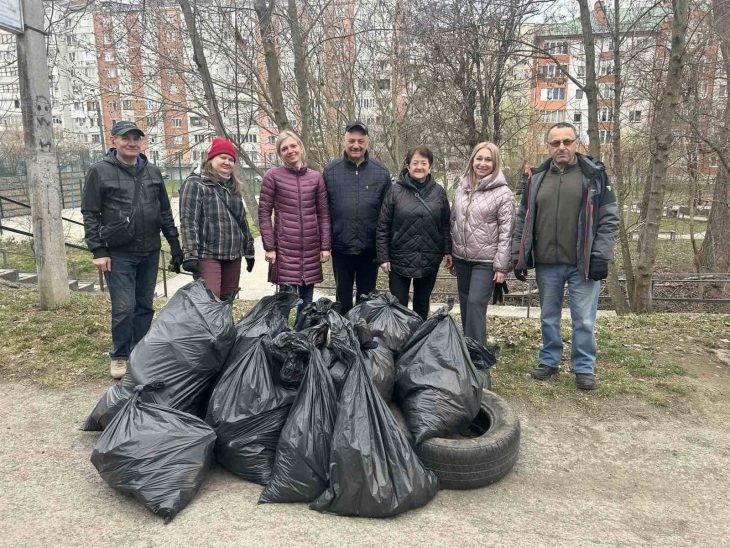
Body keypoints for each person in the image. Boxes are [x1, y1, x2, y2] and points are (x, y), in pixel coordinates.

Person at [511, 122, 618, 391]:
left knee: (584, 320)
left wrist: (600, 255)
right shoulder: (537, 178)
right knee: (549, 316)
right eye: (555, 142)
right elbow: (523, 218)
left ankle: (584, 367)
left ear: (576, 143)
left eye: (567, 142)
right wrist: (518, 255)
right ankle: (549, 360)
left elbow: (609, 219)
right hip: (547, 263)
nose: (561, 147)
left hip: (583, 263)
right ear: (548, 146)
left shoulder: (594, 175)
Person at [81, 120, 183, 380]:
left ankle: (140, 353)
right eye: (125, 138)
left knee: (144, 305)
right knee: (124, 307)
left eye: (136, 138)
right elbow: (91, 213)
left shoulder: (153, 172)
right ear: (113, 140)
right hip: (118, 252)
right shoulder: (99, 171)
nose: (131, 143)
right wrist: (98, 250)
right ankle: (120, 354)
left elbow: (164, 212)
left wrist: (174, 245)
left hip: (150, 249)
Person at [258, 130, 331, 317]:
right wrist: (269, 247)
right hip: (285, 250)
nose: (290, 151)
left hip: (311, 249)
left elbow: (323, 214)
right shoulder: (272, 176)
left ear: (301, 147)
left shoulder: (316, 177)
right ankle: (282, 332)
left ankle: (303, 331)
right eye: (284, 149)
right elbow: (264, 213)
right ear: (279, 153)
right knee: (285, 302)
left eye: (293, 146)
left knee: (307, 302)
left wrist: (325, 246)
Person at [450, 141, 514, 345]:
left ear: (495, 163)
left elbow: (507, 231)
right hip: (462, 257)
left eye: (488, 160)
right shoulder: (462, 187)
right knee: (465, 303)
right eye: (479, 158)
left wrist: (501, 266)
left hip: (486, 260)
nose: (482, 163)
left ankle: (477, 352)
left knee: (476, 303)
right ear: (472, 160)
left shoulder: (503, 193)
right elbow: (454, 220)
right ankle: (469, 346)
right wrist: (450, 251)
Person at [323, 121, 391, 314]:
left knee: (366, 300)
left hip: (369, 249)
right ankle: (342, 331)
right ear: (344, 141)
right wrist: (325, 243)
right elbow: (324, 211)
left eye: (360, 141)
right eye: (351, 141)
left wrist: (385, 249)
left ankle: (362, 331)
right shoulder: (330, 172)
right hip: (341, 248)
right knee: (342, 299)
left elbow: (387, 214)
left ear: (367, 143)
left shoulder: (381, 172)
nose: (356, 145)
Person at [376, 146, 451, 321]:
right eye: (415, 163)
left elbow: (445, 224)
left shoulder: (439, 192)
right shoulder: (395, 191)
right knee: (399, 305)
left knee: (422, 304)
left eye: (423, 163)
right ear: (408, 166)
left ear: (430, 166)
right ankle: (400, 336)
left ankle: (419, 335)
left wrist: (448, 250)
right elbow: (383, 226)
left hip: (429, 257)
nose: (419, 167)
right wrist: (383, 257)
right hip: (399, 258)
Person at [179, 137, 255, 300]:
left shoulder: (233, 187)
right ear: (211, 159)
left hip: (233, 253)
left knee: (227, 299)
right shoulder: (195, 183)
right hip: (207, 253)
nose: (227, 162)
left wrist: (249, 250)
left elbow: (242, 221)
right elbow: (188, 221)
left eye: (230, 159)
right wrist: (190, 254)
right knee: (210, 298)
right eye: (222, 157)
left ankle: (224, 319)